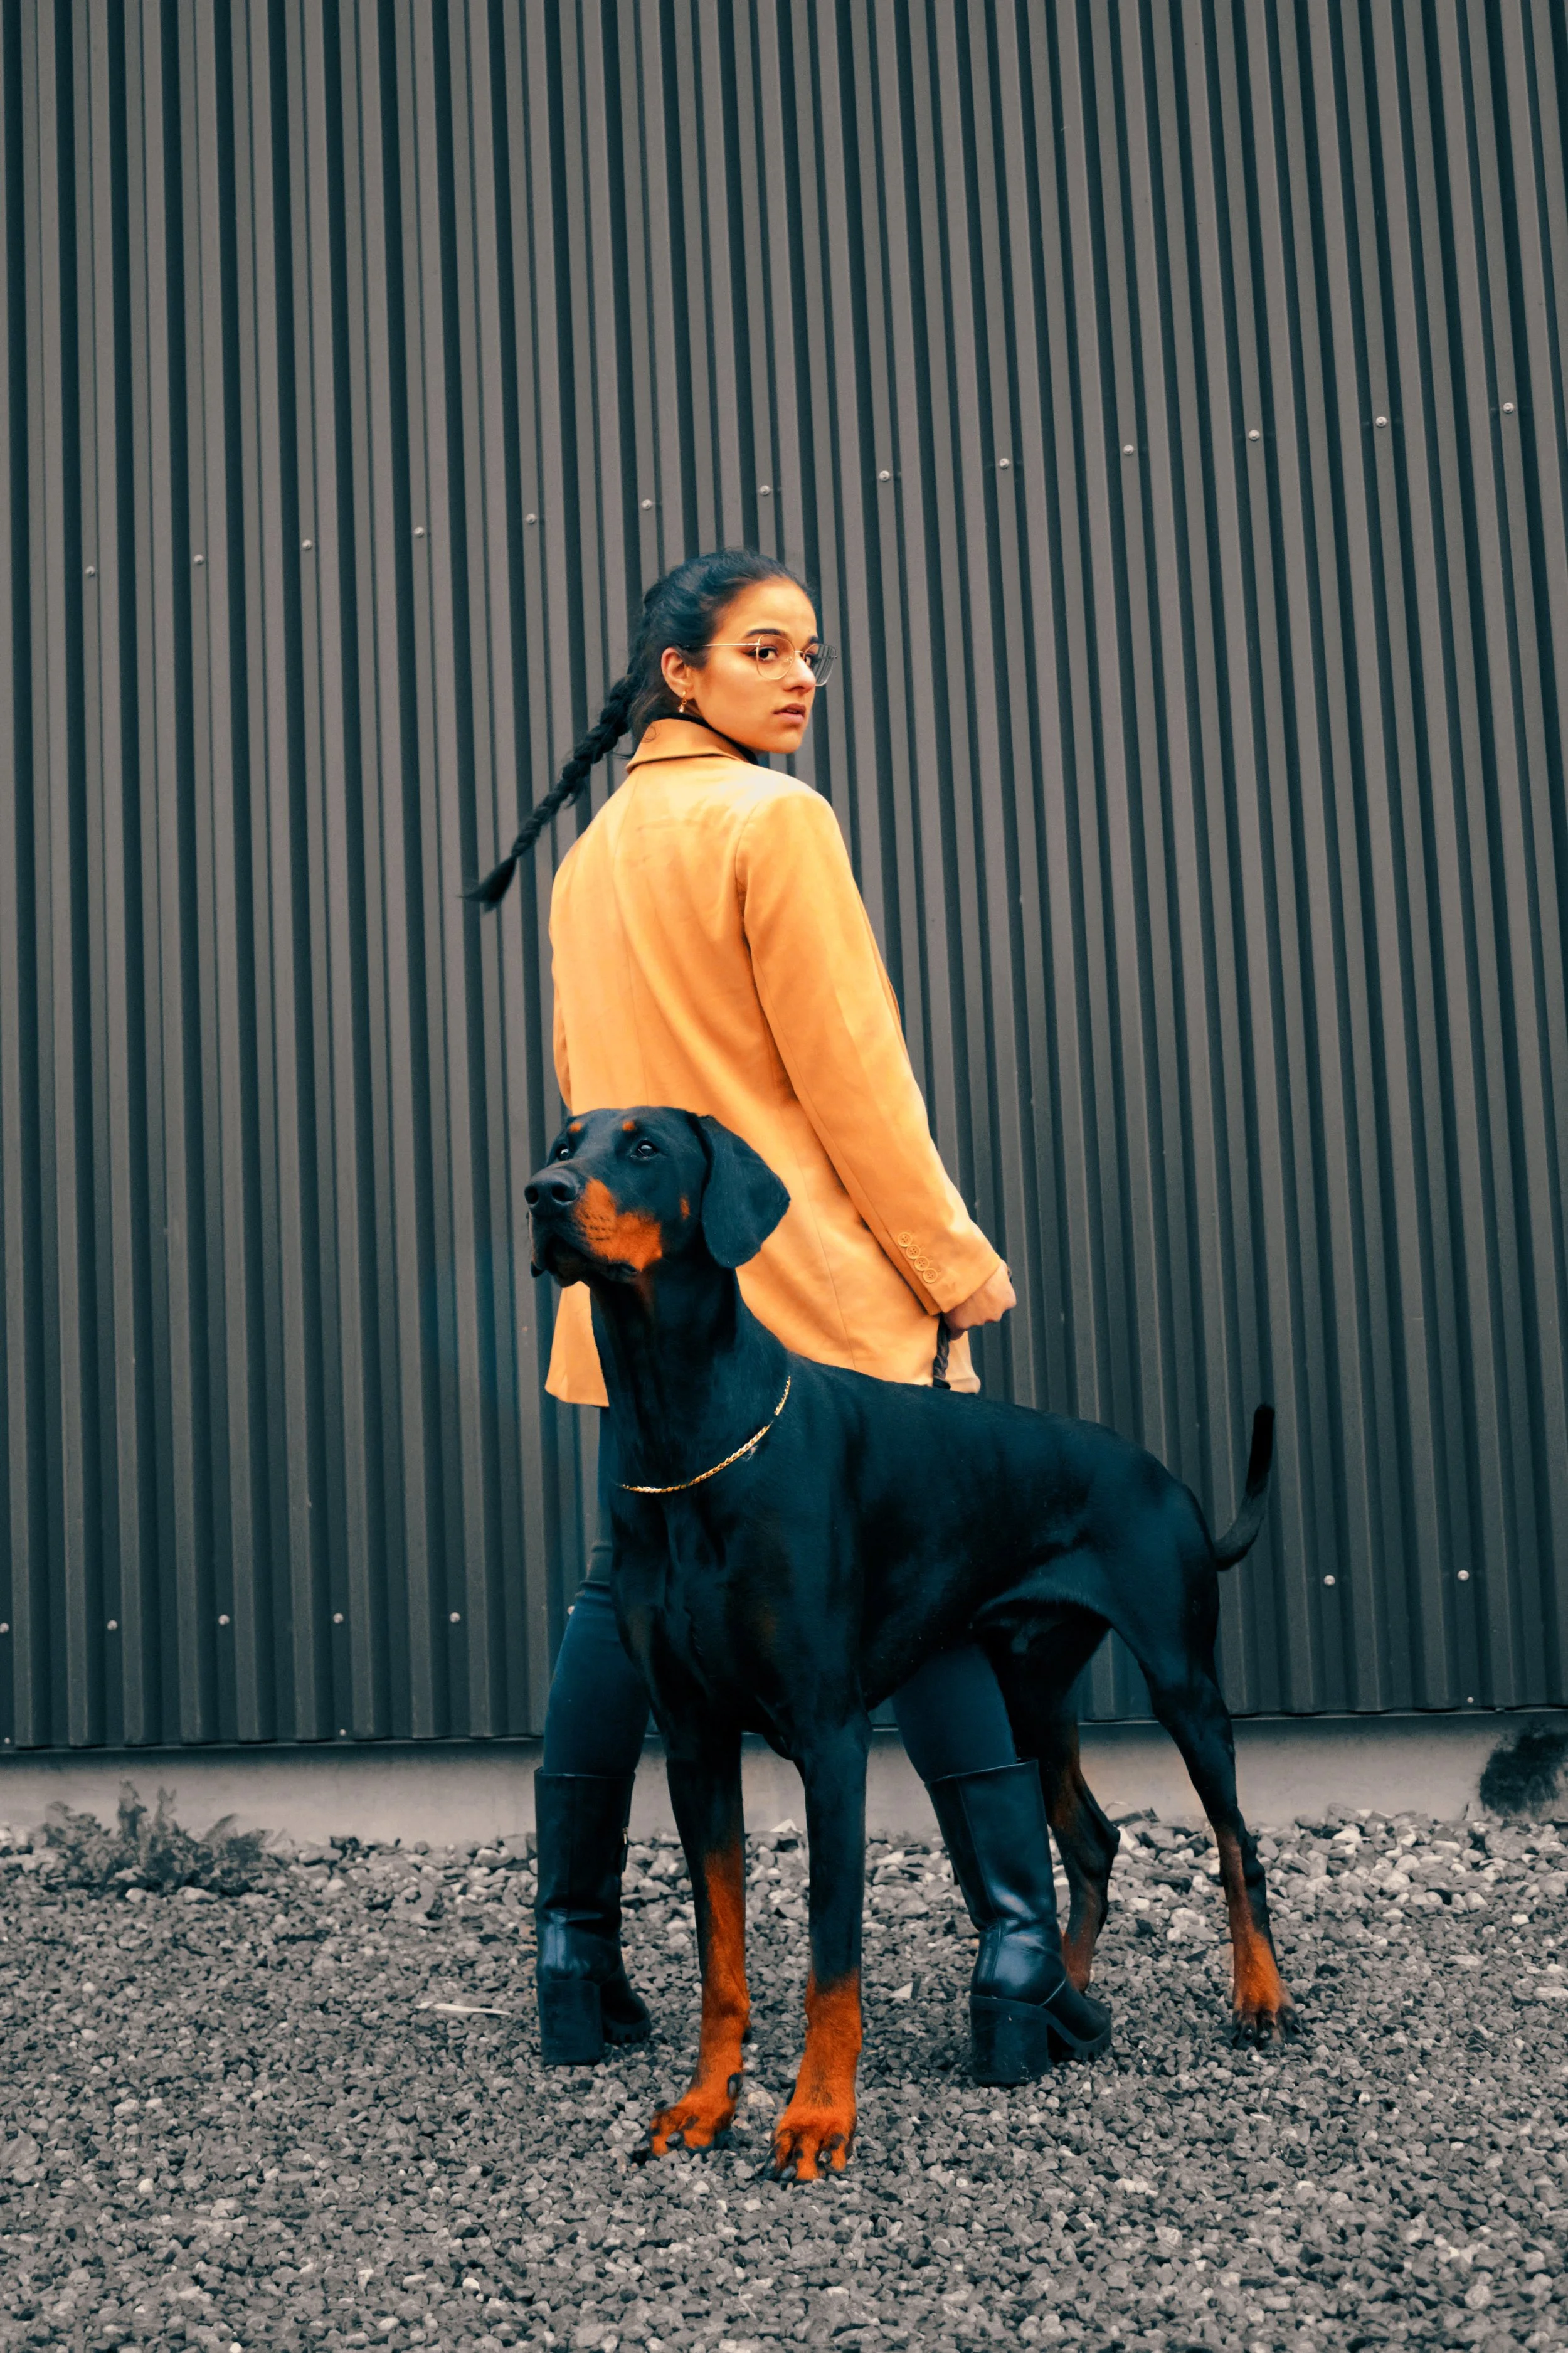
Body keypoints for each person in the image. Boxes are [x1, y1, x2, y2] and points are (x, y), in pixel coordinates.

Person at [469, 549, 1110, 2079]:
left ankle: (573, 1951)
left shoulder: (590, 854)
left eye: (814, 652)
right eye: (767, 650)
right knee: (937, 1589)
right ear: (678, 674)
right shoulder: (777, 820)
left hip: (649, 1315)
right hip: (806, 1298)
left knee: (628, 1596)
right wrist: (952, 1269)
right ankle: (1017, 1947)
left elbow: (588, 1098)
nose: (804, 676)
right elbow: (854, 1082)